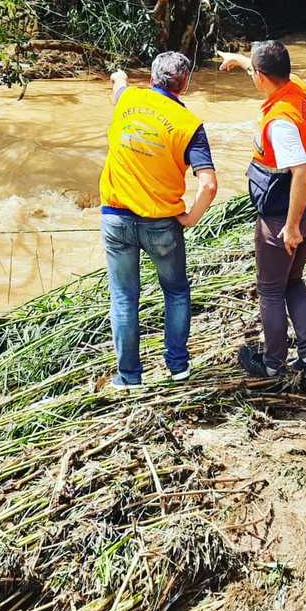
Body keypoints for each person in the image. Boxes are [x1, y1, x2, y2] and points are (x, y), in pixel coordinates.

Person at [99, 51, 218, 389]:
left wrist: (118, 76)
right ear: (186, 84)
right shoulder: (189, 125)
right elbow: (208, 184)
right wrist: (191, 218)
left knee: (123, 298)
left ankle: (129, 377)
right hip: (163, 225)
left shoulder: (128, 99)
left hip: (117, 220)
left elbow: (119, 86)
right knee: (177, 292)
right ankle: (178, 367)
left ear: (151, 79)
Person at [218, 40, 306, 380]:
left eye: (254, 70)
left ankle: (272, 364)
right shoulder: (298, 88)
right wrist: (239, 60)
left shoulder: (281, 123)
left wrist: (291, 227)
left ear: (263, 78)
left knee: (270, 289)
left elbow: (302, 172)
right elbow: (266, 71)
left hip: (285, 221)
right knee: (294, 281)